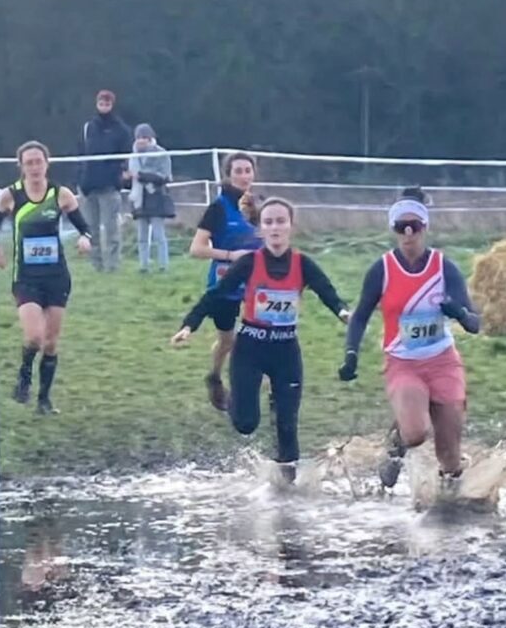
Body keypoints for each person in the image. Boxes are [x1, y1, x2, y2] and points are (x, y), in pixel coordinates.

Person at [171, 198, 349, 482]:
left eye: (281, 221)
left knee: (287, 426)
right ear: (260, 230)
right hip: (250, 349)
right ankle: (233, 400)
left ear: (291, 226)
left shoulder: (302, 263)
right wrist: (189, 325)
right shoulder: (249, 263)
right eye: (268, 222)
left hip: (286, 351)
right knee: (245, 424)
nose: (275, 227)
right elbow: (215, 294)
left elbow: (326, 291)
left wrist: (343, 312)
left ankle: (286, 492)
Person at [340, 188, 481, 491]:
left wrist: (457, 312)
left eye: (414, 226)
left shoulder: (444, 267)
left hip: (442, 361)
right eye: (400, 227)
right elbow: (361, 314)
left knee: (450, 456)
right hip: (403, 362)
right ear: (393, 231)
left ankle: (449, 502)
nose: (408, 234)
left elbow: (475, 324)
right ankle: (396, 444)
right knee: (417, 432)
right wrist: (351, 353)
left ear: (425, 228)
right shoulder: (382, 269)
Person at [0, 141, 92, 415]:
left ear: (47, 163)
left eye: (38, 161)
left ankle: (44, 401)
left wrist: (84, 238)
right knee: (34, 336)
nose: (34, 167)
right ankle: (24, 376)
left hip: (56, 277)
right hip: (26, 277)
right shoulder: (11, 195)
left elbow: (84, 226)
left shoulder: (61, 194)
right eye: (29, 162)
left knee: (51, 343)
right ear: (21, 166)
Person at [188, 151, 263, 411]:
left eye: (248, 170)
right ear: (228, 175)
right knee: (228, 340)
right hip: (225, 285)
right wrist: (231, 255)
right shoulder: (218, 208)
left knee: (258, 338)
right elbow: (196, 249)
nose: (244, 176)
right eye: (238, 171)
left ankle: (256, 391)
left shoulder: (257, 207)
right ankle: (215, 376)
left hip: (256, 285)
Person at [78, 89, 132, 273]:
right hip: (88, 185)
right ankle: (97, 266)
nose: (104, 105)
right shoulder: (88, 127)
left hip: (109, 185)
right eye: (101, 102)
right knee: (91, 229)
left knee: (111, 230)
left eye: (107, 102)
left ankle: (112, 266)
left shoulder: (121, 130)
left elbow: (125, 157)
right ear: (97, 103)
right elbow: (81, 153)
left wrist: (121, 175)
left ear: (112, 104)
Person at [128, 124, 175, 273]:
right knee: (141, 236)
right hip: (139, 198)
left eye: (144, 137)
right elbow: (131, 177)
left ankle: (163, 265)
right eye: (139, 137)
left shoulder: (161, 154)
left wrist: (142, 176)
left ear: (151, 138)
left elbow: (165, 176)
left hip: (156, 196)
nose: (141, 141)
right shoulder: (133, 156)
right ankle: (143, 266)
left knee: (158, 234)